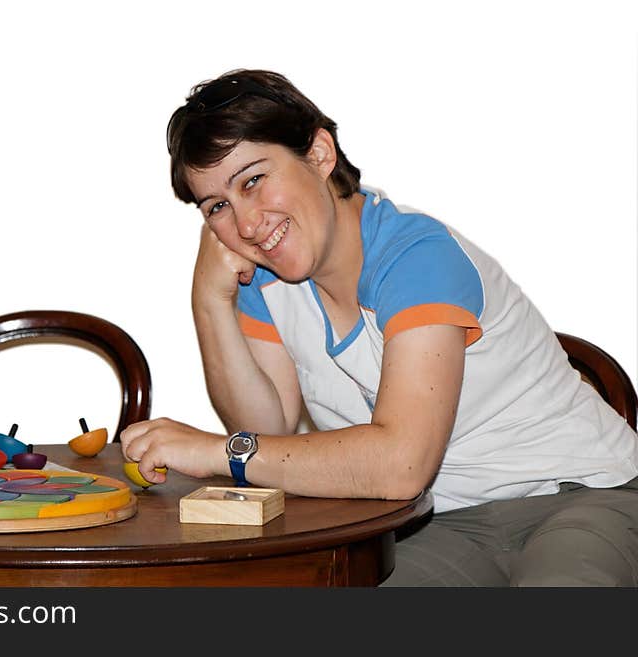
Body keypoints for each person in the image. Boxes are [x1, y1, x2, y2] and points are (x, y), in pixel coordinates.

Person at [119, 68, 638, 586]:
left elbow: (399, 465)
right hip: (441, 523)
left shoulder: (415, 258)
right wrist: (210, 299)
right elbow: (266, 434)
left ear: (319, 154)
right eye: (218, 207)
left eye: (253, 180)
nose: (248, 225)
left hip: (581, 496)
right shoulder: (268, 279)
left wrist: (215, 452)